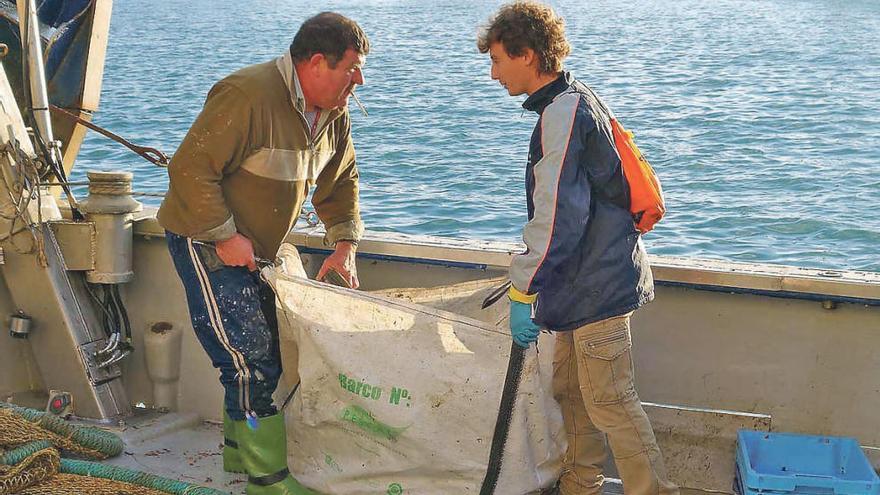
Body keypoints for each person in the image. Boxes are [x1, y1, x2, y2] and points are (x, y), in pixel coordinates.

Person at [157, 12, 369, 494]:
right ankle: (267, 480)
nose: (359, 79)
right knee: (248, 359)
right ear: (317, 63)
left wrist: (345, 245)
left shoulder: (333, 111)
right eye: (352, 68)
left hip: (260, 249)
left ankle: (237, 454)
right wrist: (224, 235)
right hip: (203, 238)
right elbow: (190, 171)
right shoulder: (245, 94)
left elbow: (341, 182)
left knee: (263, 352)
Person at [478, 3, 678, 495]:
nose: (493, 73)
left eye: (499, 60)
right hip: (576, 285)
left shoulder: (562, 113)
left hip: (597, 286)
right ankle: (579, 486)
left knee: (611, 402)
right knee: (571, 394)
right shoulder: (571, 98)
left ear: (527, 56)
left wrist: (523, 288)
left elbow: (557, 218)